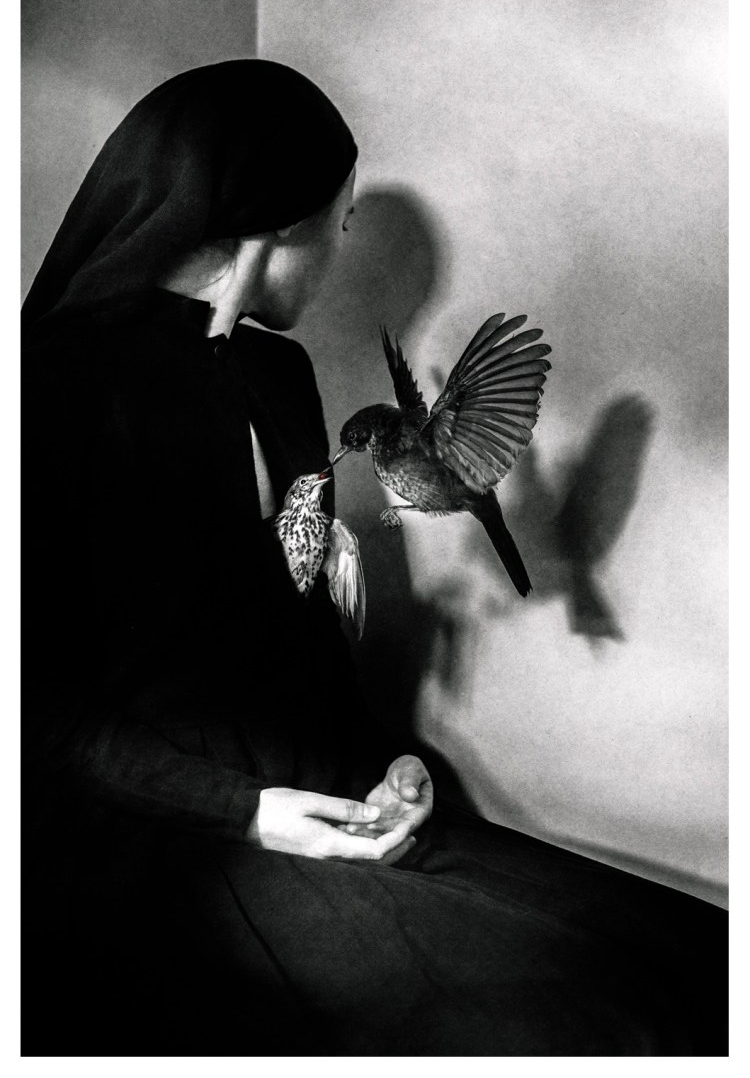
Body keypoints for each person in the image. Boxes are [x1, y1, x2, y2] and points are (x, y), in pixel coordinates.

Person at [22, 59, 727, 1058]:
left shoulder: (279, 374)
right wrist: (251, 813)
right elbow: (36, 710)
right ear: (275, 226)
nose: (341, 248)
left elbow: (297, 632)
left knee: (694, 958)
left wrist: (392, 765)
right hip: (159, 847)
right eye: (339, 220)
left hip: (321, 794)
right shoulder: (52, 385)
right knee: (569, 1019)